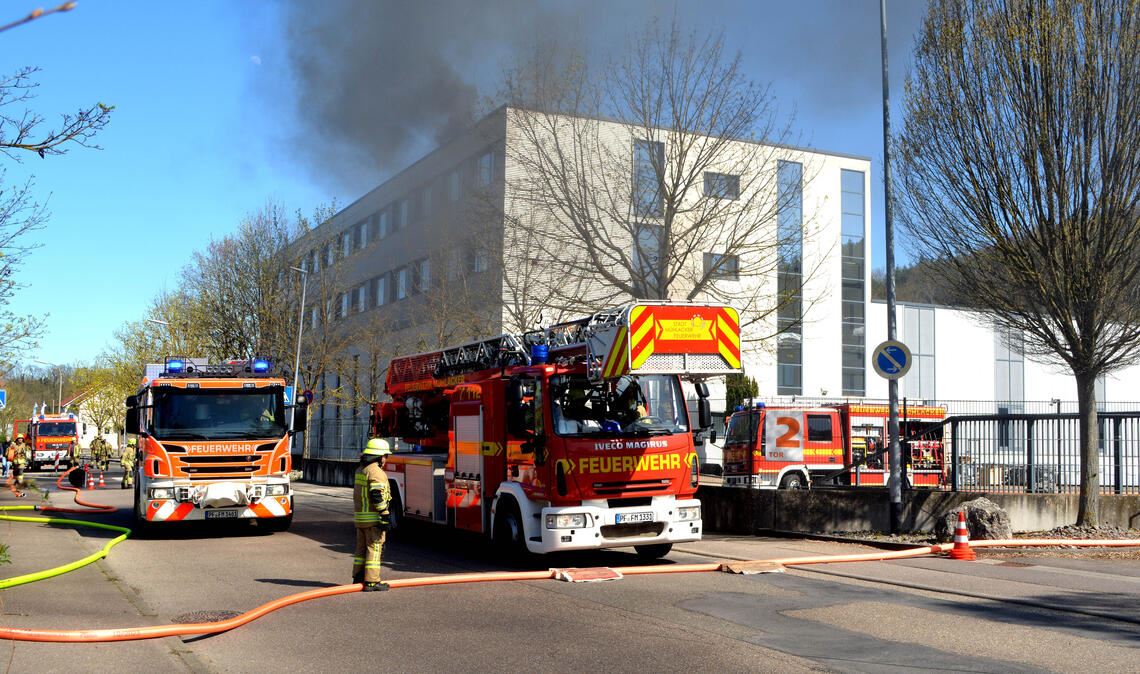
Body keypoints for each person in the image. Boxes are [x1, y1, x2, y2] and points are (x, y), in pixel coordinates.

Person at [352, 438, 393, 592]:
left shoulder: (360, 469)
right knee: (374, 549)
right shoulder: (376, 472)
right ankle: (372, 582)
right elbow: (376, 495)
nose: (386, 459)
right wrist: (385, 514)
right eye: (385, 456)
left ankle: (358, 577)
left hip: (360, 518)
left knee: (361, 550)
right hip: (373, 519)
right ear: (379, 456)